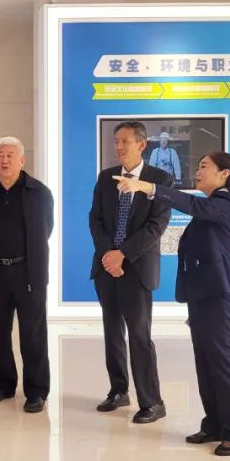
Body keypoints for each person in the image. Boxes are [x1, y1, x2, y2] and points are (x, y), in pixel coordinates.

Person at [114, 151, 230, 456]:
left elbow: (191, 204)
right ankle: (214, 423)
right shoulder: (213, 206)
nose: (197, 171)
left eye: (204, 166)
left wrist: (148, 187)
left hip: (220, 296)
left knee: (223, 365)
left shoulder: (226, 203)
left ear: (224, 174)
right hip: (204, 297)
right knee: (206, 364)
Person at [89, 122, 173, 424]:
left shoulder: (159, 179)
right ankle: (118, 391)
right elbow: (95, 219)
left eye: (125, 141)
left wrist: (122, 254)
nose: (119, 147)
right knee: (112, 332)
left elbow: (156, 225)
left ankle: (152, 402)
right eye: (116, 142)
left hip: (137, 269)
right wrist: (108, 255)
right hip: (107, 267)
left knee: (139, 335)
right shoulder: (106, 177)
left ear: (142, 144)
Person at [0, 136, 54, 413]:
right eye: (0, 155)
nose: (5, 160)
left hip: (28, 273)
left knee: (33, 334)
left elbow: (46, 228)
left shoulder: (39, 192)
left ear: (22, 160)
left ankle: (36, 392)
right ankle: (2, 385)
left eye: (10, 155)